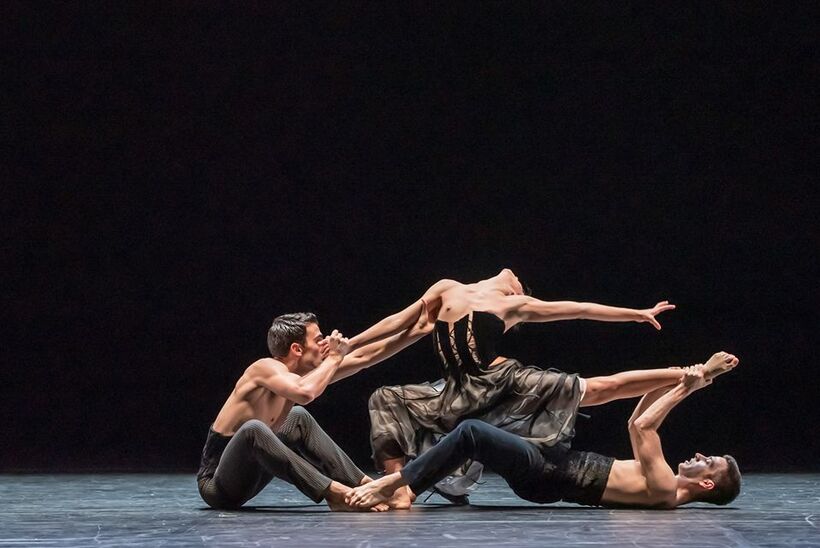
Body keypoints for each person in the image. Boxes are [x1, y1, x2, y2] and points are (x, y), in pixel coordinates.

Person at [350, 269, 717, 507]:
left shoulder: (515, 305)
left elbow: (580, 309)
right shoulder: (447, 288)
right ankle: (396, 485)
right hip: (457, 391)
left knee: (599, 389)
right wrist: (351, 344)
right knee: (385, 399)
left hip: (504, 383)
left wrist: (635, 314)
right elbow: (398, 321)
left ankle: (407, 488)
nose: (517, 284)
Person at [347, 352, 741, 510]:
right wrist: (674, 382)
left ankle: (399, 487)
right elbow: (634, 422)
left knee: (473, 432)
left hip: (547, 473)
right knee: (483, 424)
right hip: (551, 464)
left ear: (707, 485)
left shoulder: (665, 489)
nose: (700, 457)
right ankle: (429, 479)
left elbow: (642, 425)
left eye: (709, 463)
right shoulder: (661, 482)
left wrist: (685, 388)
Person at [196, 311, 428, 511]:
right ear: (297, 348)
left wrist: (419, 330)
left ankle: (367, 486)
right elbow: (305, 394)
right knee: (253, 429)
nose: (325, 343)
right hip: (218, 485)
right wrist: (335, 357)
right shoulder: (263, 368)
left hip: (254, 474)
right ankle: (334, 493)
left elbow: (363, 357)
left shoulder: (300, 377)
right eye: (318, 339)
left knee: (298, 418)